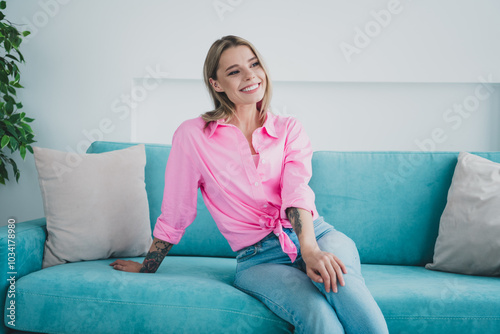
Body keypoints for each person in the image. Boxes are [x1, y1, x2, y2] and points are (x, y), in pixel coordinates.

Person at [110, 35, 389, 333]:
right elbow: (177, 210)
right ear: (216, 84)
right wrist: (148, 266)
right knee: (318, 314)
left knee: (343, 287)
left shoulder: (288, 129)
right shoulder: (193, 136)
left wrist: (309, 249)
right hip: (259, 260)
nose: (250, 75)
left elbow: (296, 192)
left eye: (254, 64)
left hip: (316, 236)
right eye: (234, 71)